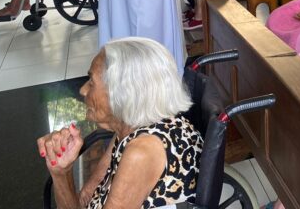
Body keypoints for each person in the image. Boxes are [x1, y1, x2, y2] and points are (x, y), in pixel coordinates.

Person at [36, 37, 202, 209]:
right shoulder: (131, 127)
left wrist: (63, 176)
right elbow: (87, 198)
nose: (83, 90)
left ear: (122, 93)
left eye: (91, 82)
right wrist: (61, 171)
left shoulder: (142, 152)